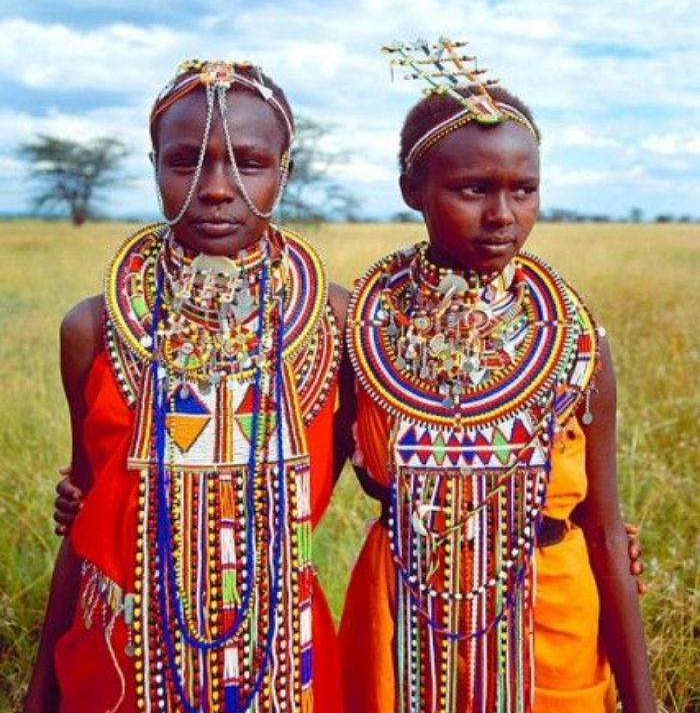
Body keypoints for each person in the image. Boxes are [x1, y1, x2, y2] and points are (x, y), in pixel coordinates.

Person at [24, 59, 350, 713]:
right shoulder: (95, 327)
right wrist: (40, 692)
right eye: (184, 161)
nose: (217, 189)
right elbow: (86, 510)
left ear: (283, 171)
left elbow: (381, 474)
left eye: (249, 162)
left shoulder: (336, 323)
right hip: (121, 663)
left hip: (286, 654)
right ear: (153, 167)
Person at [337, 40, 655, 712]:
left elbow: (603, 529)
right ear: (411, 190)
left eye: (524, 189)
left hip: (554, 616)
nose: (502, 216)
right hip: (405, 617)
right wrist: (90, 490)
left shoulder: (574, 341)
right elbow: (285, 482)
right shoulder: (363, 333)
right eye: (473, 189)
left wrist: (644, 703)